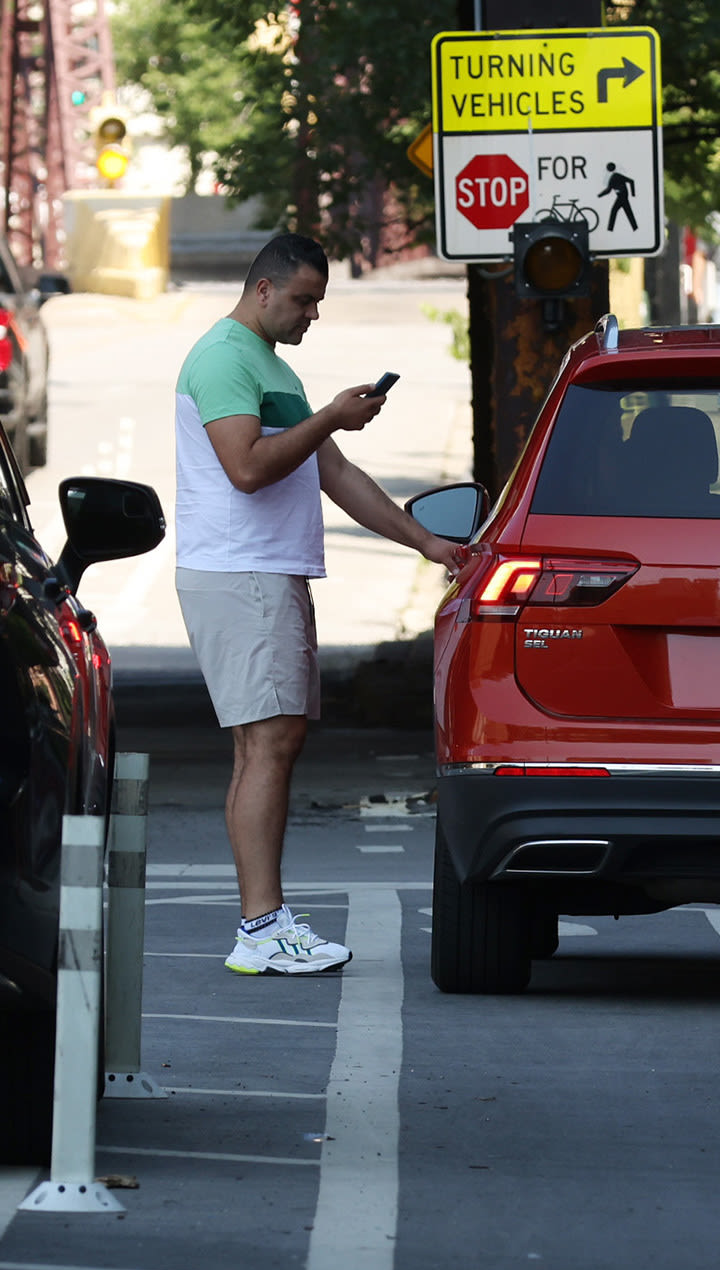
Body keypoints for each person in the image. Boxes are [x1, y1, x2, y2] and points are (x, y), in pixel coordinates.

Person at [173, 230, 468, 975]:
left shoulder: (270, 368)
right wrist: (329, 417)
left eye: (319, 302)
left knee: (266, 744)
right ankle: (262, 925)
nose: (313, 315)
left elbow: (334, 473)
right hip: (242, 574)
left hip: (262, 573)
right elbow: (246, 468)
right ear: (264, 289)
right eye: (304, 300)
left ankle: (263, 922)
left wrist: (425, 541)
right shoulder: (223, 358)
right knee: (268, 745)